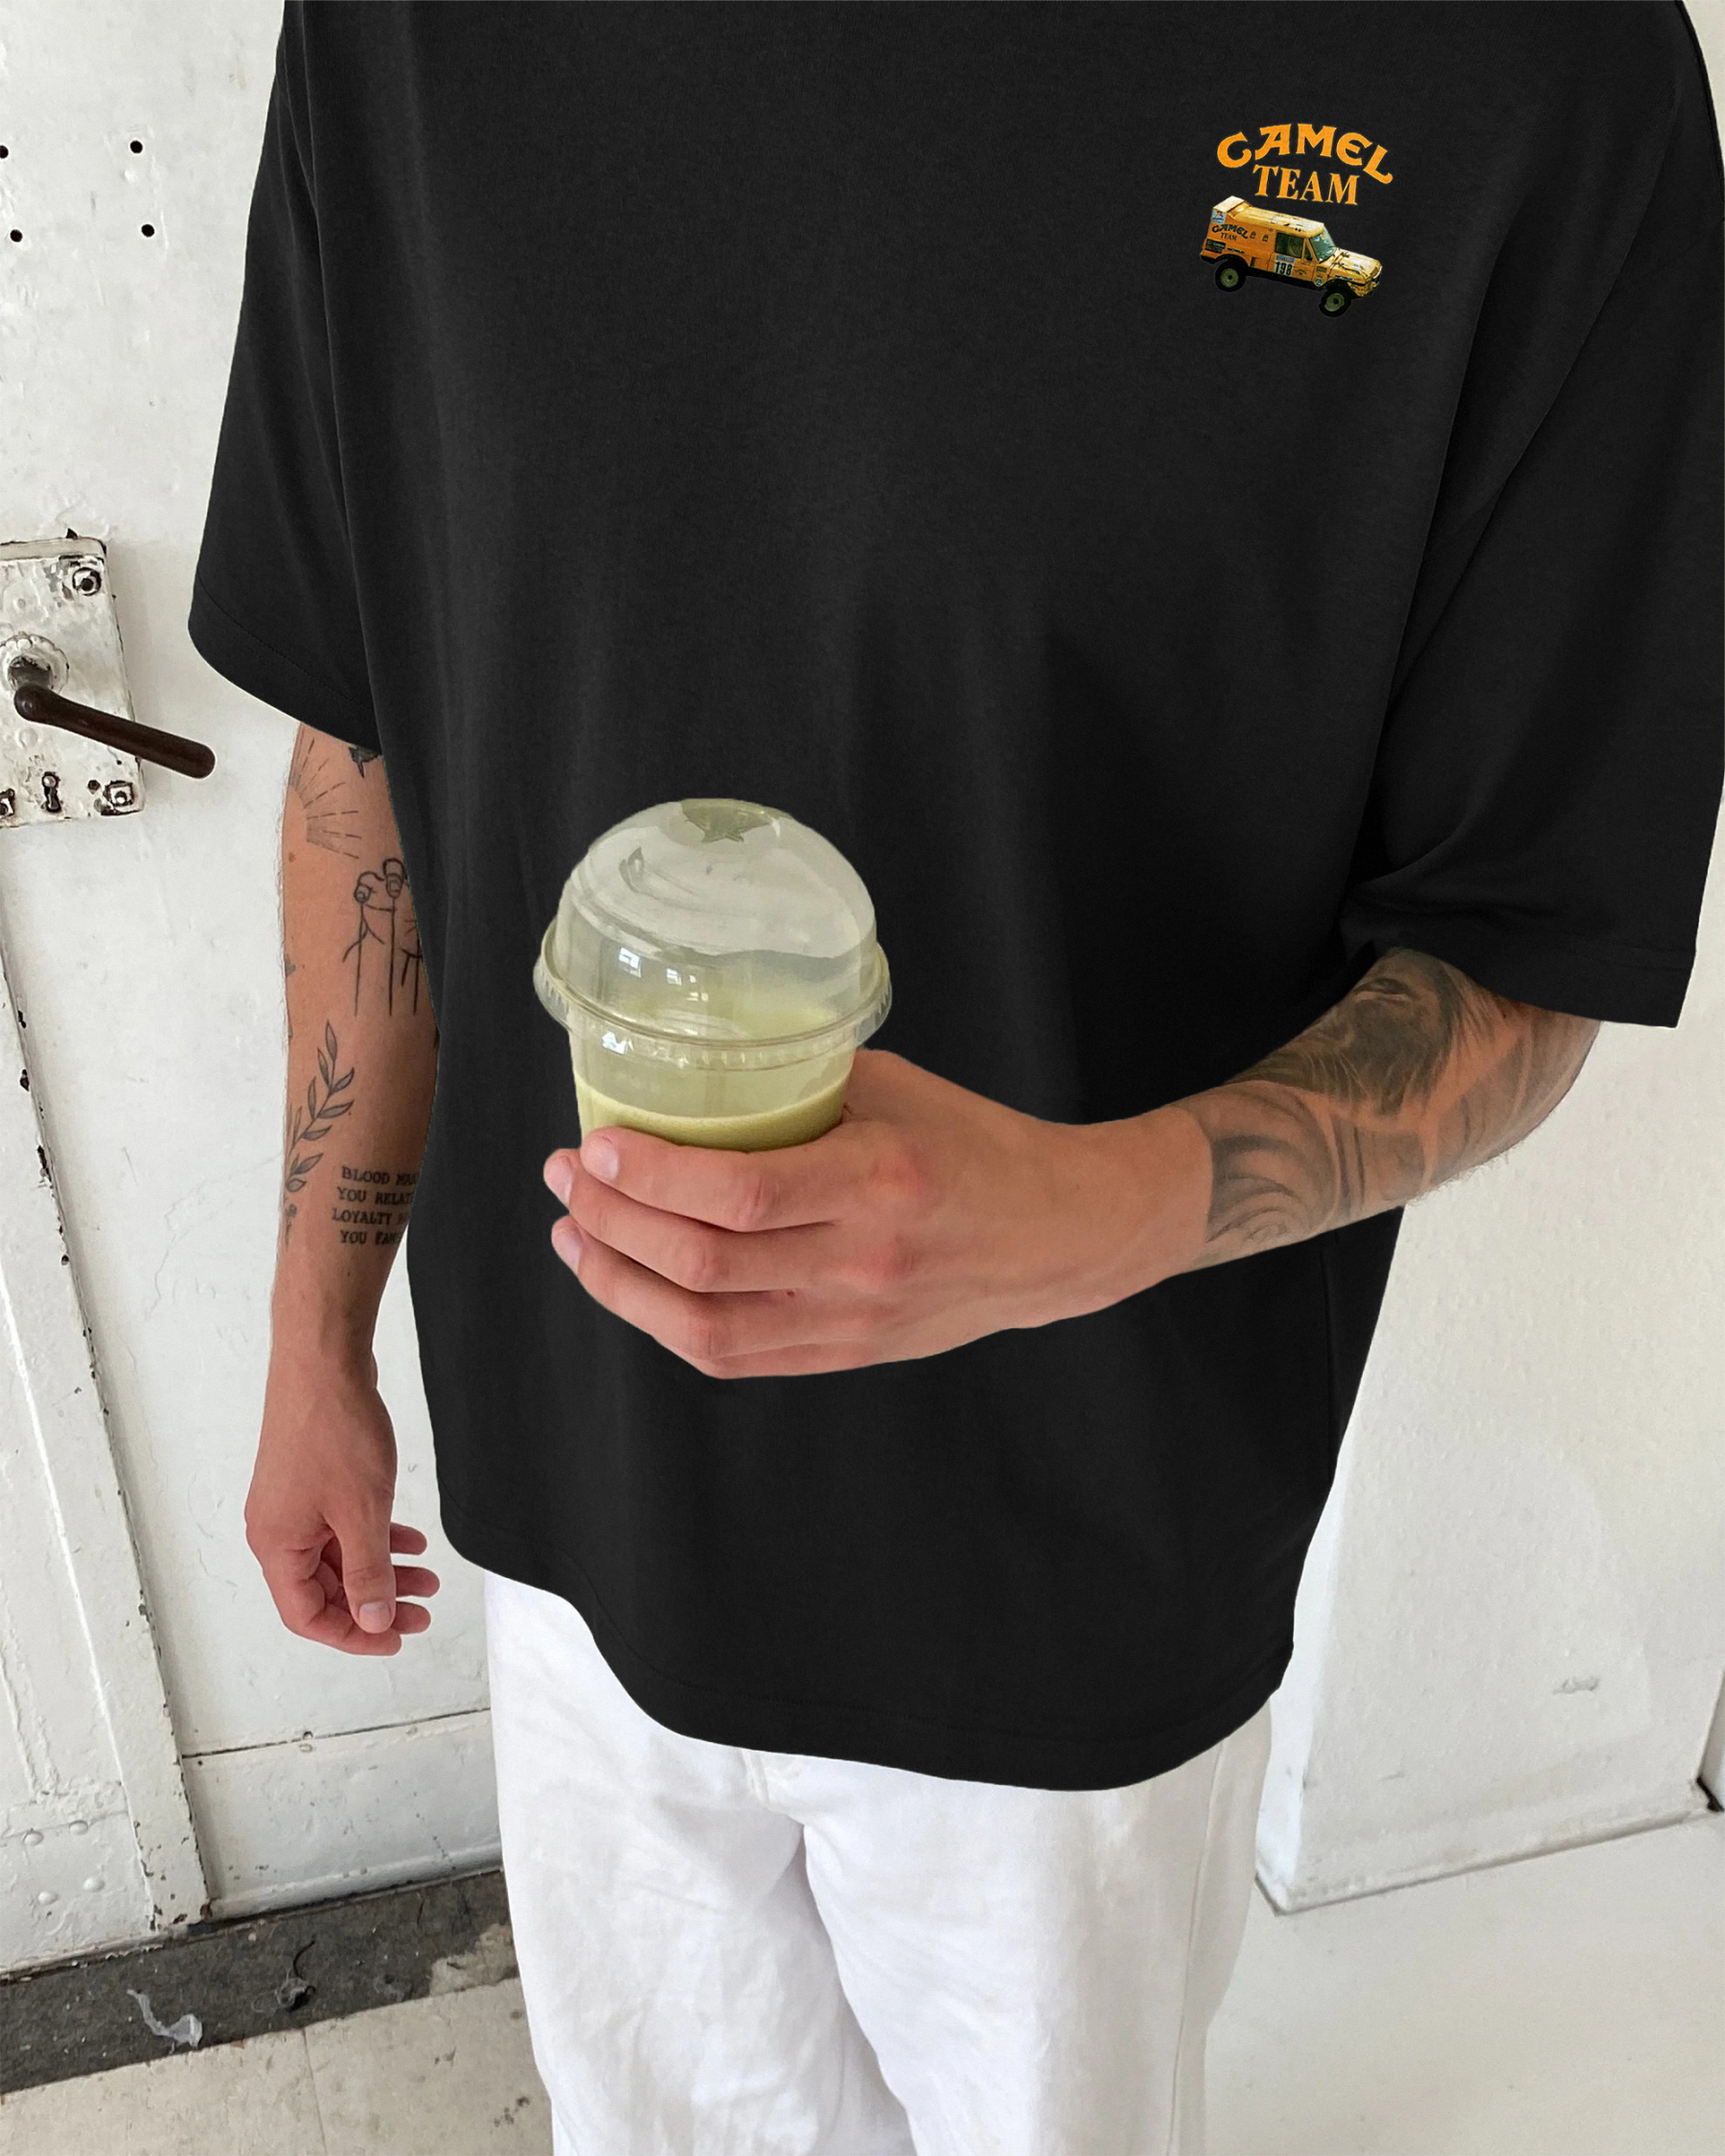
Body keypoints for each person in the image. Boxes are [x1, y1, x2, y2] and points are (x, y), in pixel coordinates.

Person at [188, 6, 1722, 2151]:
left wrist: (1088, 1210)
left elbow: (1527, 940)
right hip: (567, 1497)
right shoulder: (411, 33)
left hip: (1073, 1567)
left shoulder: (1527, 66)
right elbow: (366, 723)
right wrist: (310, 1336)